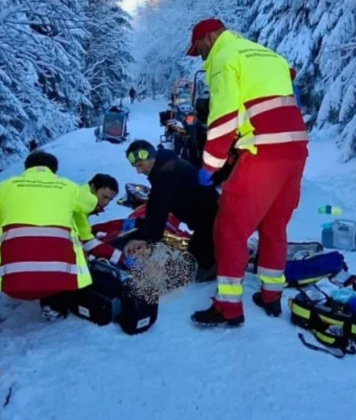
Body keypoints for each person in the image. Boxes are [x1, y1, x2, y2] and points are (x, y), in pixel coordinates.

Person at [185, 18, 309, 326]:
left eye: (198, 45)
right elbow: (283, 83)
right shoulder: (266, 54)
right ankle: (271, 296)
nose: (199, 53)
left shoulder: (224, 58)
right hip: (295, 150)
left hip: (263, 152)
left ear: (210, 37)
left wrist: (210, 166)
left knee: (230, 227)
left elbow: (224, 116)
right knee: (274, 224)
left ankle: (227, 307)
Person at [0, 151, 98, 344]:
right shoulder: (69, 187)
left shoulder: (5, 187)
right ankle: (58, 303)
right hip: (60, 283)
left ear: (26, 168)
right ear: (54, 171)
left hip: (13, 286)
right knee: (72, 238)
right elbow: (92, 204)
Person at [123, 140, 218, 282]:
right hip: (204, 222)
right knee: (192, 258)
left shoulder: (167, 172)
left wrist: (146, 238)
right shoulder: (163, 166)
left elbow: (160, 210)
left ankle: (219, 268)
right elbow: (154, 203)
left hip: (213, 222)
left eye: (140, 165)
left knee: (196, 268)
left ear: (151, 156)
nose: (138, 171)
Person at [73, 173, 129, 268]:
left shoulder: (78, 193)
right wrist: (123, 259)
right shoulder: (81, 204)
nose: (106, 203)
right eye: (104, 197)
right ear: (93, 187)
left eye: (110, 200)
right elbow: (88, 242)